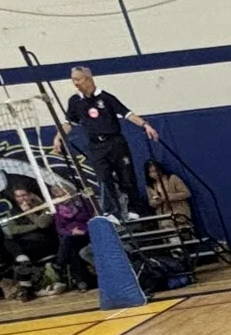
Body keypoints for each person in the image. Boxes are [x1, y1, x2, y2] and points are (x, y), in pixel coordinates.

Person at [51, 65, 156, 218]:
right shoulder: (75, 101)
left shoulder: (106, 98)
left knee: (126, 176)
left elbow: (127, 113)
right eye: (73, 80)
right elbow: (69, 123)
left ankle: (134, 208)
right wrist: (58, 137)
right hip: (96, 146)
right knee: (104, 178)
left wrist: (145, 124)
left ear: (88, 79)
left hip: (115, 142)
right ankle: (111, 211)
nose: (75, 83)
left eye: (78, 79)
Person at [6, 186, 60, 299]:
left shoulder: (43, 206)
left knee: (19, 257)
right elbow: (13, 230)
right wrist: (34, 226)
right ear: (15, 198)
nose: (22, 198)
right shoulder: (13, 212)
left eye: (24, 195)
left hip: (44, 240)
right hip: (25, 243)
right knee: (9, 241)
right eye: (19, 196)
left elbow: (43, 224)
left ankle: (27, 287)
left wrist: (29, 213)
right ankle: (27, 285)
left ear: (30, 195)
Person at [52, 190, 95, 292]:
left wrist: (83, 231)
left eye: (63, 194)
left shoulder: (80, 204)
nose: (62, 197)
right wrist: (72, 232)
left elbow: (90, 215)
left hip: (86, 233)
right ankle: (84, 281)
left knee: (68, 242)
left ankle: (59, 263)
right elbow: (60, 229)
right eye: (58, 195)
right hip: (72, 237)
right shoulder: (57, 211)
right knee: (72, 250)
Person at [143, 160, 192, 227]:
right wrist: (158, 200)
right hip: (163, 214)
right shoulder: (150, 187)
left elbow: (186, 193)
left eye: (156, 170)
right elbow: (151, 203)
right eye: (151, 172)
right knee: (165, 226)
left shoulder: (173, 178)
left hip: (178, 211)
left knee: (168, 224)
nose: (155, 173)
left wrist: (169, 197)